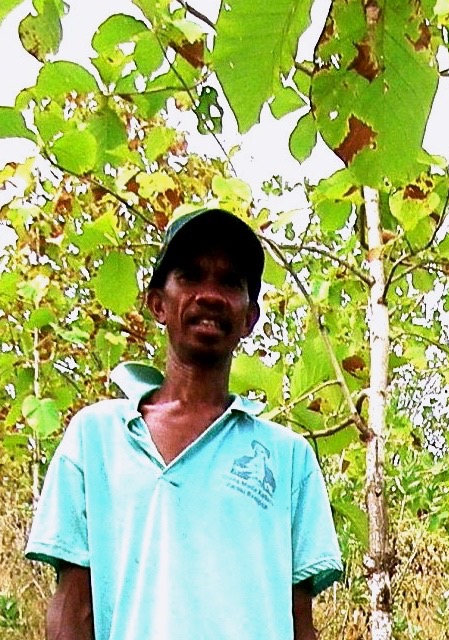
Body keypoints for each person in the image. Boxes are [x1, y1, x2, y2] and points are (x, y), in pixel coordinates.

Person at [26, 208, 343, 640]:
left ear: (250, 317)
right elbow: (73, 609)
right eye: (191, 276)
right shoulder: (96, 438)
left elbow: (299, 619)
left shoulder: (286, 457)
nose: (210, 295)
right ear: (158, 303)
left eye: (230, 282)